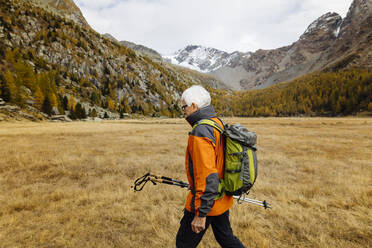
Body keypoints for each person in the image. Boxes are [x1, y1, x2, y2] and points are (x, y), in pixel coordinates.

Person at [176, 85, 245, 248]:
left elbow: (208, 175)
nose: (183, 111)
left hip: (206, 202)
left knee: (183, 244)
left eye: (184, 106)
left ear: (194, 106)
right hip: (220, 197)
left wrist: (201, 214)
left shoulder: (200, 131)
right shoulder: (216, 123)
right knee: (226, 239)